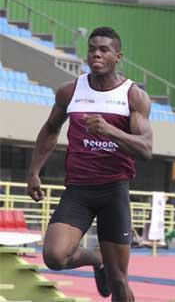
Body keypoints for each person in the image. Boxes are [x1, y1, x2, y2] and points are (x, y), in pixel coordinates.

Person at [26, 27, 153, 302]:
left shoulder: (133, 96)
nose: (96, 54)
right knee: (54, 256)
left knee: (119, 280)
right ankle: (97, 259)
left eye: (104, 50)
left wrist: (110, 131)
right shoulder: (70, 91)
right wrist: (34, 171)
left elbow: (146, 148)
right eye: (92, 49)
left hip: (113, 191)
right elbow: (50, 129)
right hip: (78, 190)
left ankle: (108, 264)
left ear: (117, 56)